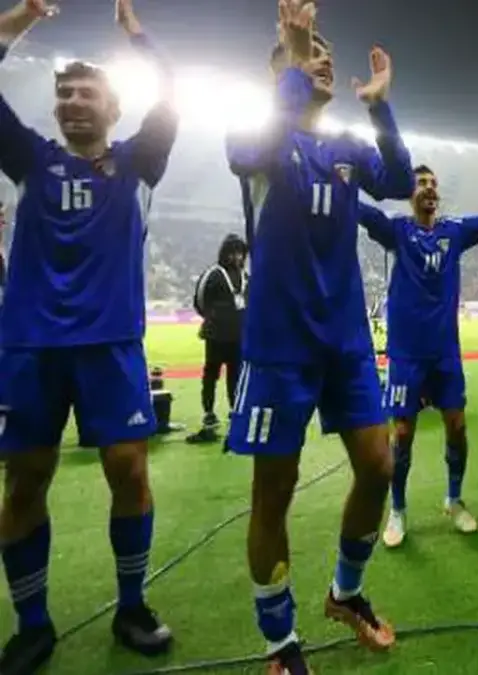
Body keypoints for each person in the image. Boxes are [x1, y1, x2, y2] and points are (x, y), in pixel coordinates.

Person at [223, 2, 415, 671]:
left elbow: (398, 180)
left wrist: (380, 108)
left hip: (346, 341)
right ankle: (279, 641)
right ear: (280, 73)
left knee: (379, 465)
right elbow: (247, 151)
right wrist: (294, 60)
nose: (323, 58)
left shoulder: (346, 149)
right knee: (274, 490)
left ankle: (346, 591)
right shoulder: (260, 139)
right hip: (279, 345)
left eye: (326, 52)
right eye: (310, 53)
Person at [0, 0, 179, 670]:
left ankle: (131, 606)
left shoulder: (138, 162)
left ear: (113, 107)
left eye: (86, 92)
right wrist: (21, 18)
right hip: (31, 347)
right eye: (65, 93)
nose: (73, 101)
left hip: (111, 346)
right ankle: (33, 624)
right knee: (24, 482)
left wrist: (137, 36)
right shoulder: (30, 158)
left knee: (129, 472)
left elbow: (171, 94)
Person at [357, 164, 478, 548]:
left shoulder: (454, 231)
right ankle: (397, 510)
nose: (428, 188)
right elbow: (362, 211)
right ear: (409, 193)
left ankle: (454, 499)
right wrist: (340, 179)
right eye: (420, 183)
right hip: (406, 354)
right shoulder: (398, 230)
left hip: (445, 352)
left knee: (457, 427)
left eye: (432, 183)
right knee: (403, 433)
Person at [187, 233, 249, 445]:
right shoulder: (213, 274)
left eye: (240, 253)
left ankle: (235, 411)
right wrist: (213, 319)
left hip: (238, 337)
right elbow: (199, 300)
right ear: (224, 253)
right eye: (232, 252)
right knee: (211, 374)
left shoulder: (246, 276)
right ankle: (209, 413)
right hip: (215, 336)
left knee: (236, 376)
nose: (237, 257)